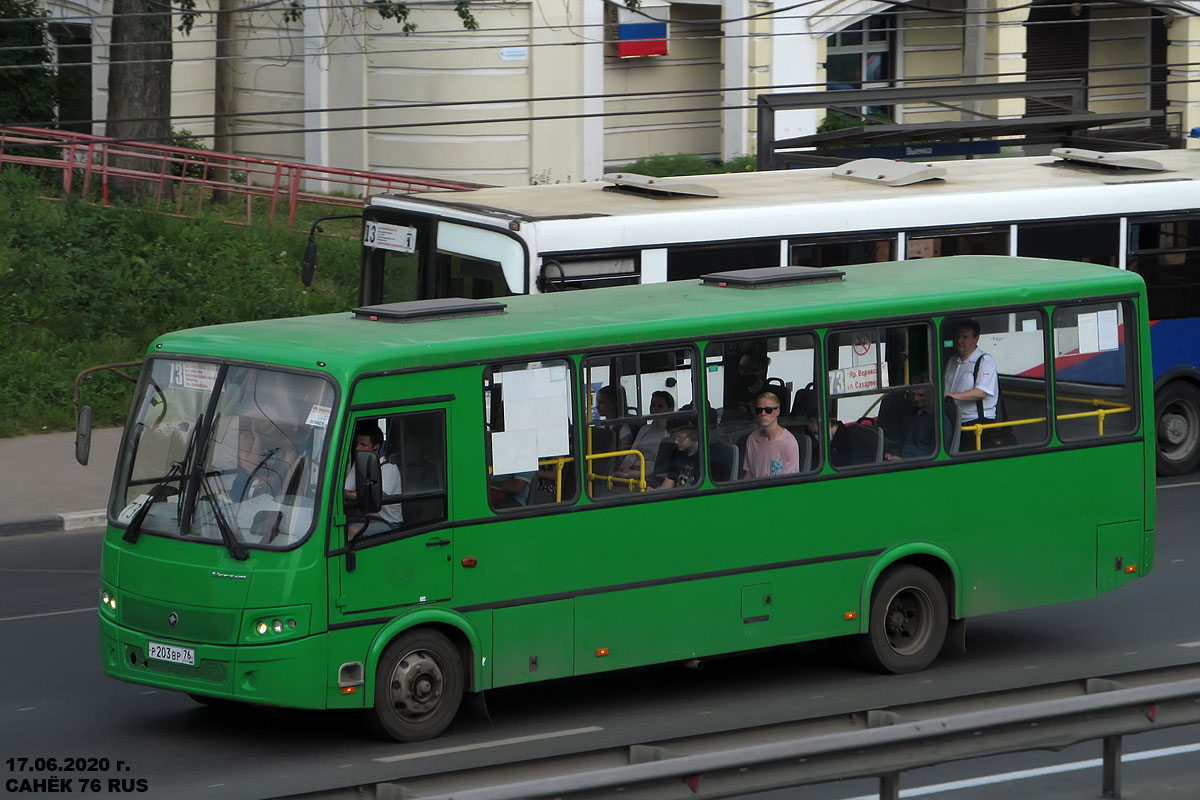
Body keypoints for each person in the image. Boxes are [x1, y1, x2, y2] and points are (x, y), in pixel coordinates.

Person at [944, 319, 999, 451]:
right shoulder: (952, 361)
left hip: (976, 423)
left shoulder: (985, 361)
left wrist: (951, 395)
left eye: (965, 337)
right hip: (953, 420)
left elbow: (981, 392)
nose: (959, 341)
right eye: (958, 337)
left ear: (976, 339)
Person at [344, 422, 403, 537]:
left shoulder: (389, 467)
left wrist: (353, 494)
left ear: (376, 447)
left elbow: (374, 495)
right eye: (357, 443)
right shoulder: (358, 465)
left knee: (352, 530)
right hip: (366, 519)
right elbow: (346, 489)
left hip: (388, 523)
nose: (357, 448)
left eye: (363, 445)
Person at [617, 390, 674, 480]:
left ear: (670, 410)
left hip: (652, 475)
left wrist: (633, 473)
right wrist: (625, 465)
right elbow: (633, 452)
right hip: (634, 471)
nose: (655, 409)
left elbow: (663, 466)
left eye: (660, 406)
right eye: (653, 405)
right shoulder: (644, 429)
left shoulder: (671, 433)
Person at [743, 391, 801, 478]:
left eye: (768, 410)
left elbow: (789, 483)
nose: (763, 414)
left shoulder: (789, 443)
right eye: (759, 410)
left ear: (777, 412)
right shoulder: (752, 439)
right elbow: (748, 474)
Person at [884, 383, 936, 461]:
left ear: (931, 395)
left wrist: (904, 460)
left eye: (921, 395)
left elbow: (935, 455)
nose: (916, 398)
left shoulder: (938, 421)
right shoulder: (910, 414)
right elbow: (900, 439)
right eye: (914, 394)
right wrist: (892, 454)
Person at [652, 420, 701, 490]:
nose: (676, 441)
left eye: (680, 438)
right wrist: (654, 491)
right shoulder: (676, 454)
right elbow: (668, 484)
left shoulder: (704, 456)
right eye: (674, 438)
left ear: (693, 436)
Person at [595, 385, 633, 452]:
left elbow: (622, 458)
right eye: (597, 402)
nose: (597, 406)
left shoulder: (623, 430)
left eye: (601, 402)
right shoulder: (600, 425)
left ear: (614, 404)